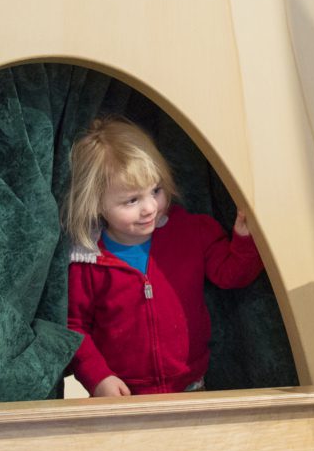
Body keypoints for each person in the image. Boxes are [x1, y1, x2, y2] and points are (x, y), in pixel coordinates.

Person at [64, 118, 263, 397]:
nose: (149, 208)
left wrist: (245, 238)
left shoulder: (191, 232)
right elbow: (74, 327)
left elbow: (231, 274)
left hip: (191, 386)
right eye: (131, 200)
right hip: (124, 396)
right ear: (95, 202)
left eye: (156, 191)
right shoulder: (87, 261)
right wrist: (98, 378)